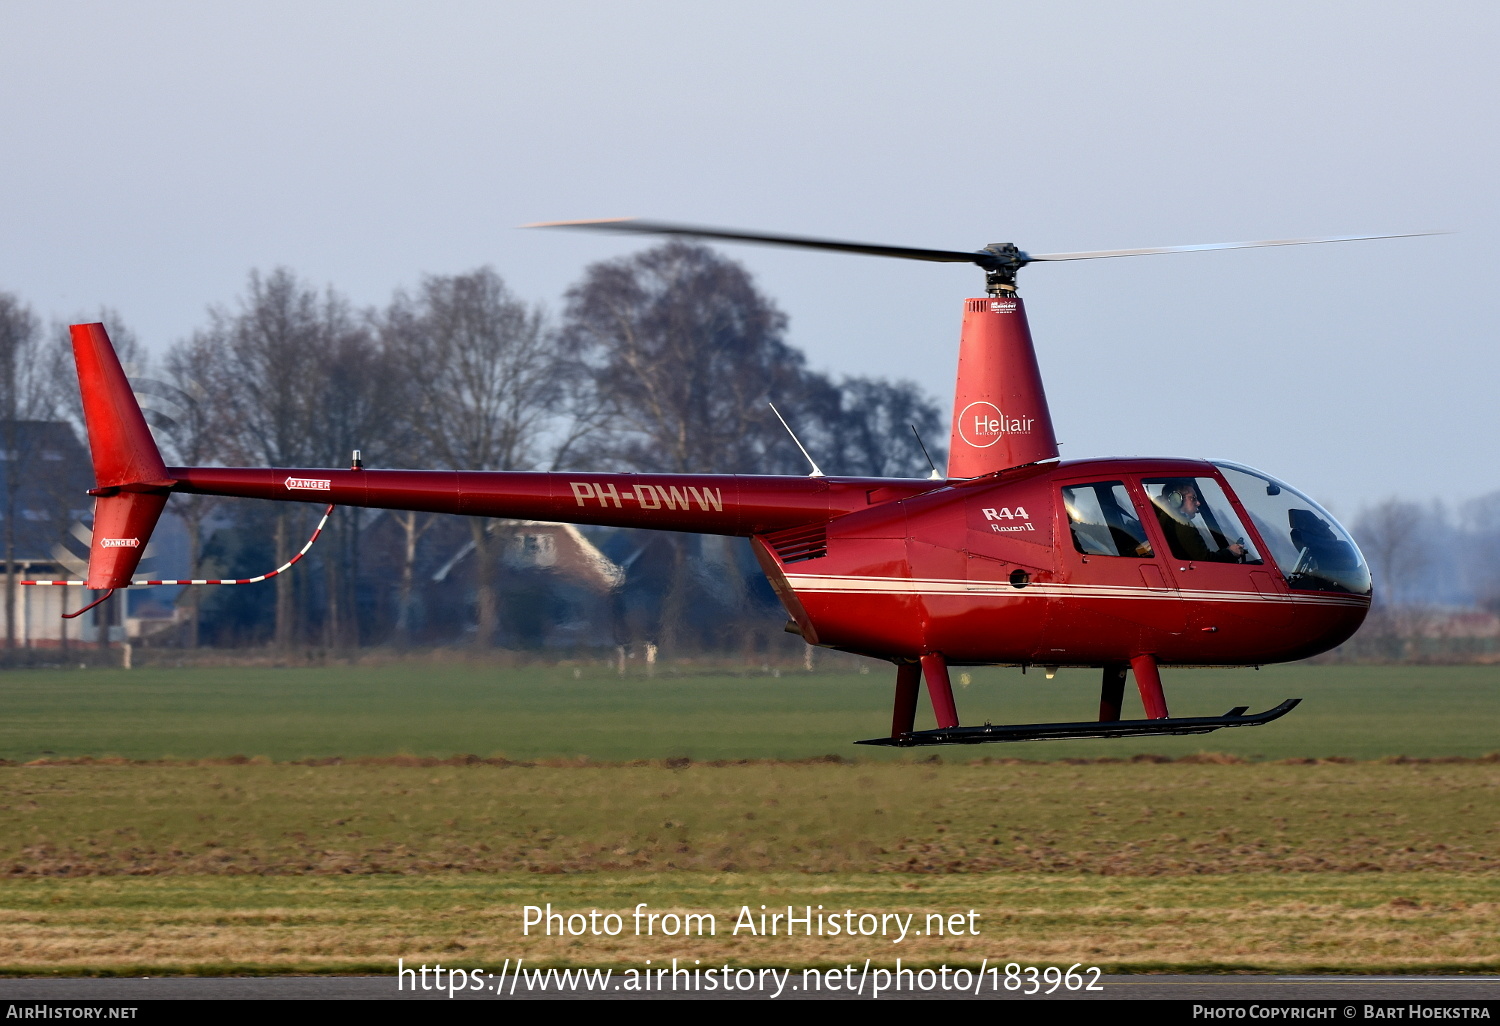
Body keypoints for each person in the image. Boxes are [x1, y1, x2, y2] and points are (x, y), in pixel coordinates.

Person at [1152, 479, 1247, 562]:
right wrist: (1230, 553)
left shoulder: (1165, 521)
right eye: (1193, 498)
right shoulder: (1182, 524)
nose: (1198, 503)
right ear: (1176, 500)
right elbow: (1204, 561)